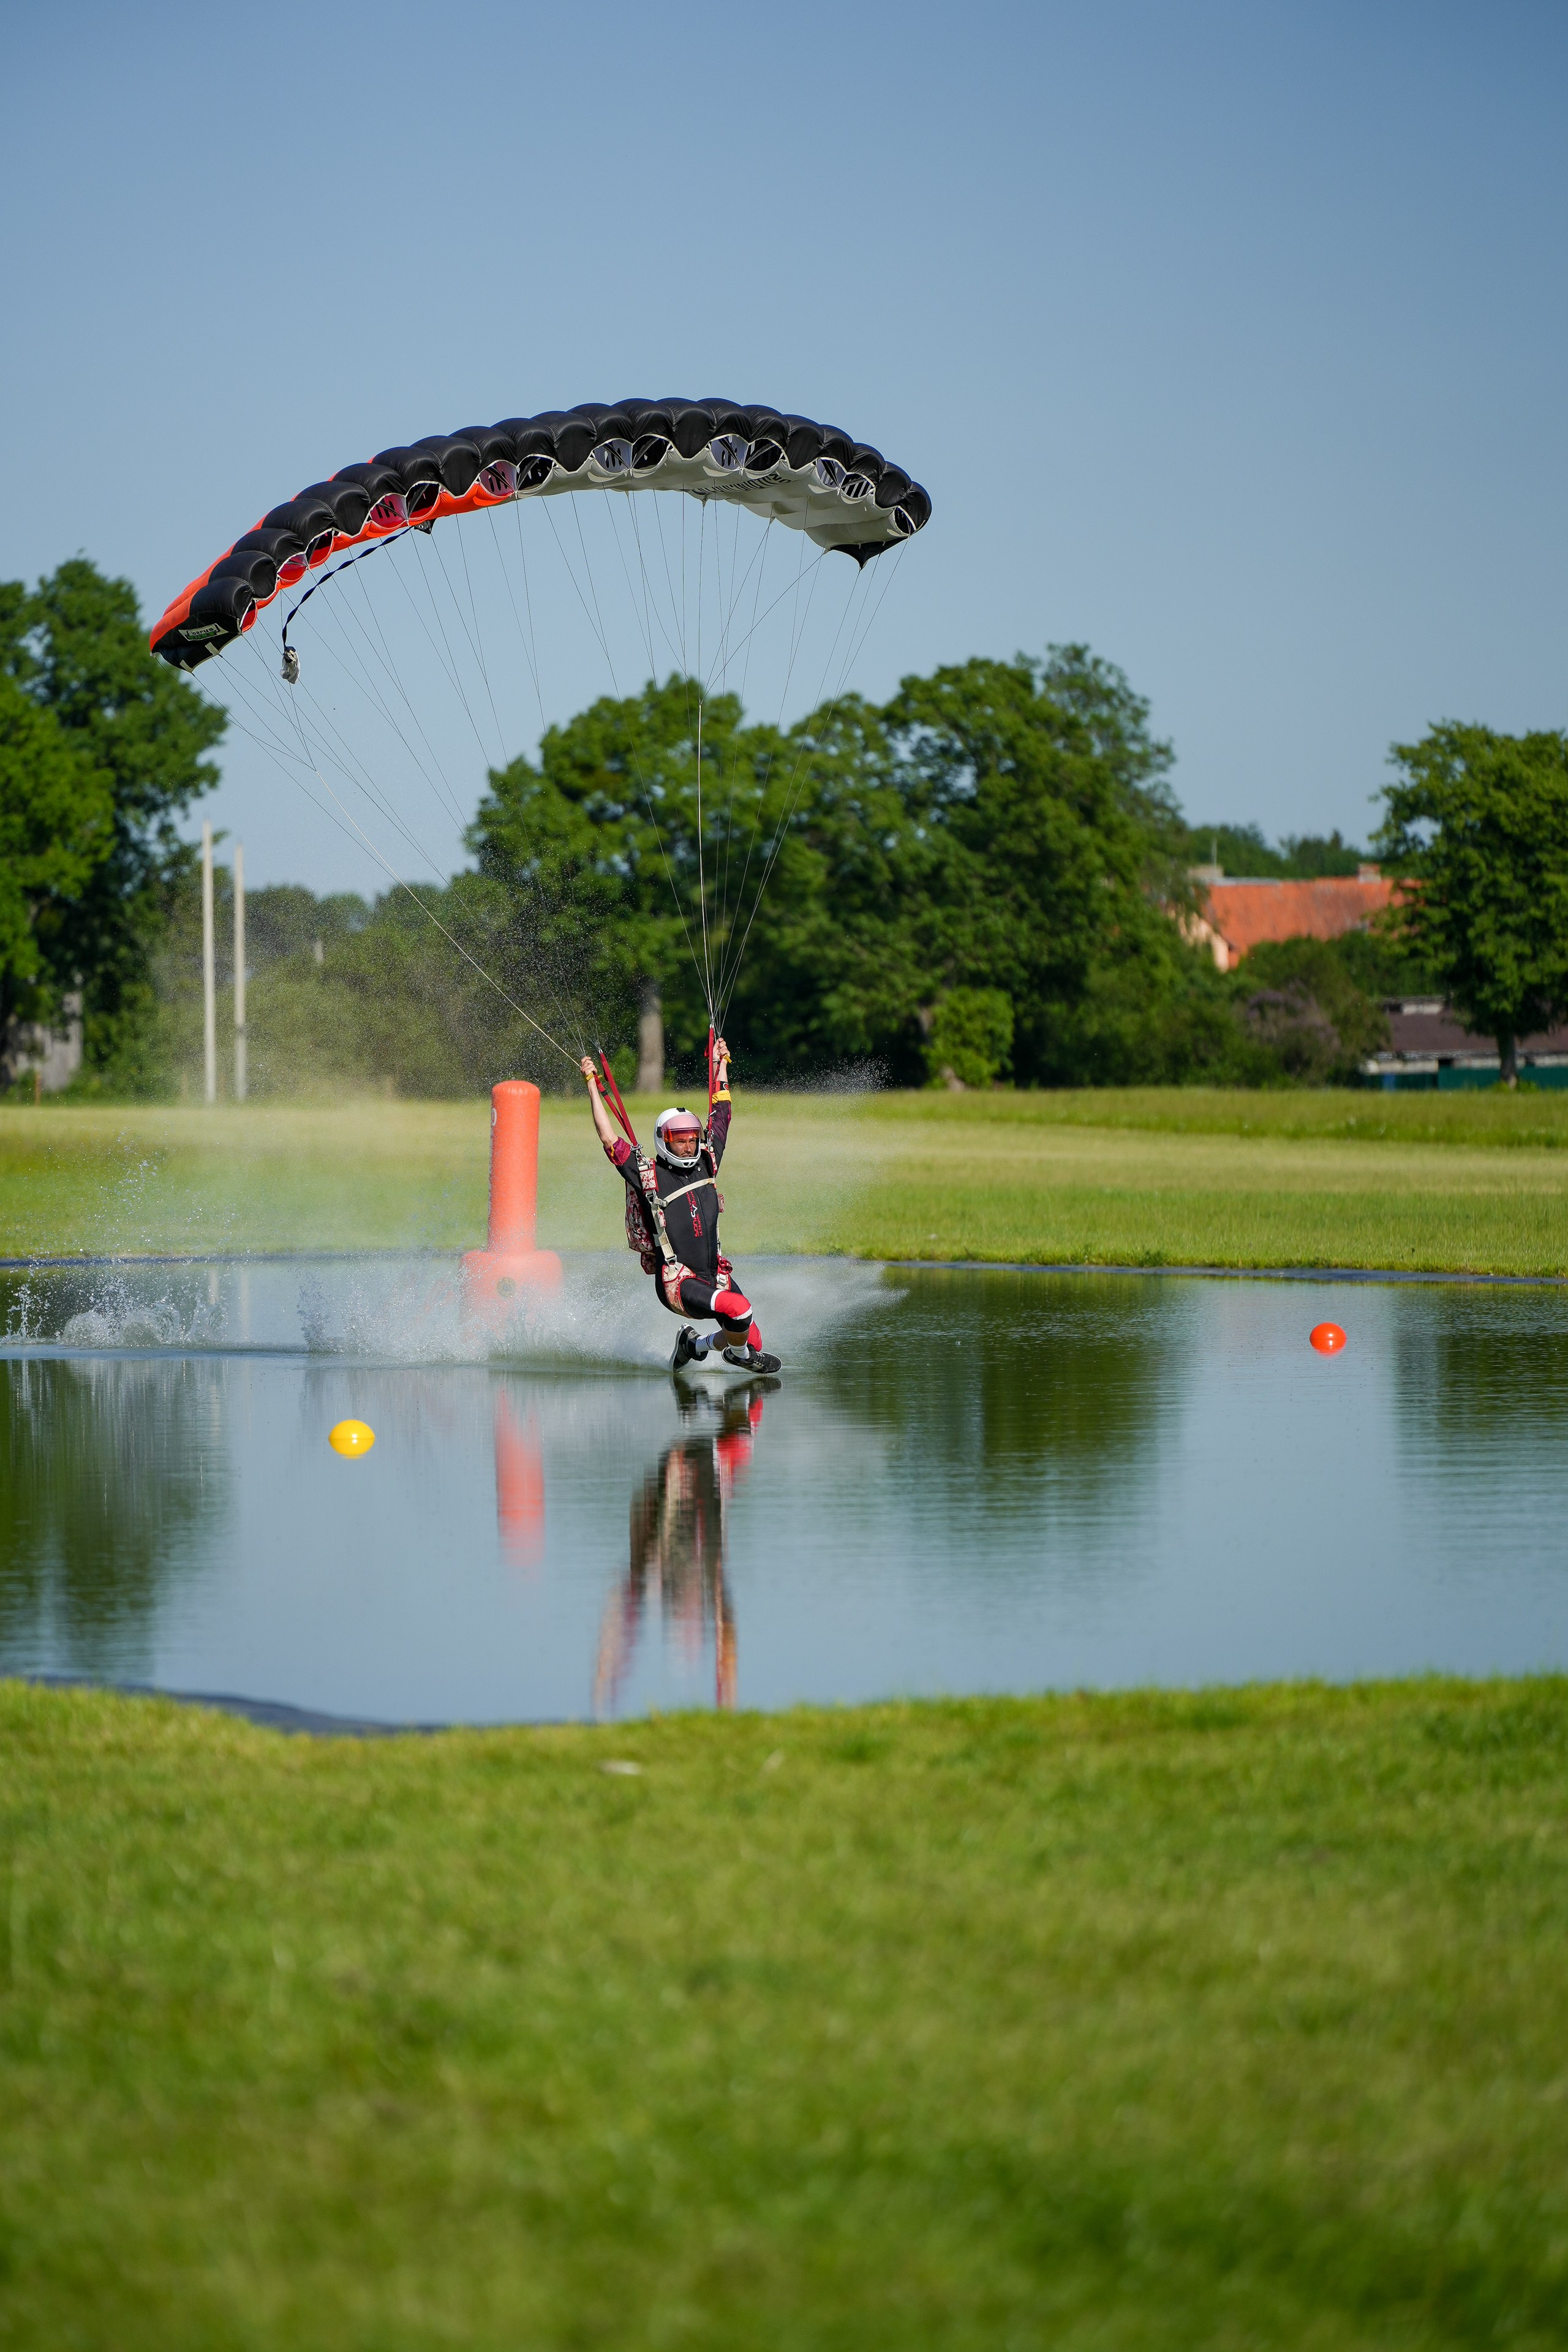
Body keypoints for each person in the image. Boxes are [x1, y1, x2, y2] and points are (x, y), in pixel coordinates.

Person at [580, 1035, 782, 1374]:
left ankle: (695, 1345)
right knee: (740, 1310)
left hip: (716, 1275)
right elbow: (608, 1138)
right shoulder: (648, 1174)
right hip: (679, 1282)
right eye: (680, 1140)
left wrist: (721, 1065)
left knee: (750, 1334)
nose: (689, 1146)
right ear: (664, 1140)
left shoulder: (708, 1161)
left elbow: (722, 1114)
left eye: (692, 1139)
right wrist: (591, 1083)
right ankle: (738, 1357)